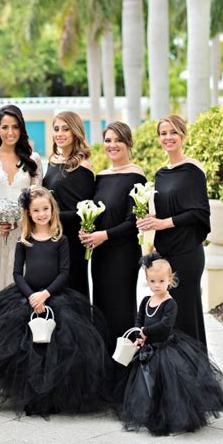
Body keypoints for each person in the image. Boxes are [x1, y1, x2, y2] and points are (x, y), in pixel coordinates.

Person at [0, 186, 112, 416]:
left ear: (52, 210)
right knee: (25, 349)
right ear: (29, 213)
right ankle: (29, 394)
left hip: (54, 297)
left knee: (58, 346)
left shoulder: (61, 240)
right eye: (36, 210)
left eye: (45, 209)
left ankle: (54, 396)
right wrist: (31, 296)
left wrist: (45, 294)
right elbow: (18, 273)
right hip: (26, 297)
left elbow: (64, 273)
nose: (41, 214)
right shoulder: (24, 240)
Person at [118, 255, 223, 435]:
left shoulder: (170, 304)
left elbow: (165, 326)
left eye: (161, 281)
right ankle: (152, 415)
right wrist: (139, 336)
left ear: (170, 280)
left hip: (165, 349)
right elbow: (139, 319)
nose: (157, 285)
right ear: (147, 281)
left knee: (168, 386)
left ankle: (171, 418)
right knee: (149, 385)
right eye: (152, 281)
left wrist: (146, 331)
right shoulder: (145, 301)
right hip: (148, 348)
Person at [136, 114, 210, 345]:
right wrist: (149, 221)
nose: (168, 137)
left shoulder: (193, 169)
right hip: (165, 254)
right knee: (167, 321)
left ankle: (193, 377)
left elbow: (198, 212)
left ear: (183, 135)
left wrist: (162, 223)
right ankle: (170, 378)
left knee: (187, 316)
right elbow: (164, 210)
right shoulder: (160, 174)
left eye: (173, 132)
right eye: (163, 133)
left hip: (187, 252)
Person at [80, 122, 146, 345]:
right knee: (101, 308)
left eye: (118, 140)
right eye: (108, 140)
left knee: (120, 308)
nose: (112, 145)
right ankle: (104, 366)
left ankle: (124, 366)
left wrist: (104, 235)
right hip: (100, 255)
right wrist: (87, 229)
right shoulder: (101, 177)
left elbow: (134, 222)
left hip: (123, 254)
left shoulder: (137, 177)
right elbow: (95, 213)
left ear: (128, 143)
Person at [0, 104, 43, 311]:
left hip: (23, 236)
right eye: (5, 127)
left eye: (15, 127)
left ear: (21, 128)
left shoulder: (33, 160)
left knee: (20, 289)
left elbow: (38, 200)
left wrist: (19, 222)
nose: (10, 132)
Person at [43, 111, 95, 298]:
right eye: (56, 129)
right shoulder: (51, 162)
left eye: (65, 129)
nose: (60, 134)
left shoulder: (83, 165)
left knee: (73, 290)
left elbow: (84, 210)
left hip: (73, 239)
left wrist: (51, 216)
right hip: (50, 236)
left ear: (75, 132)